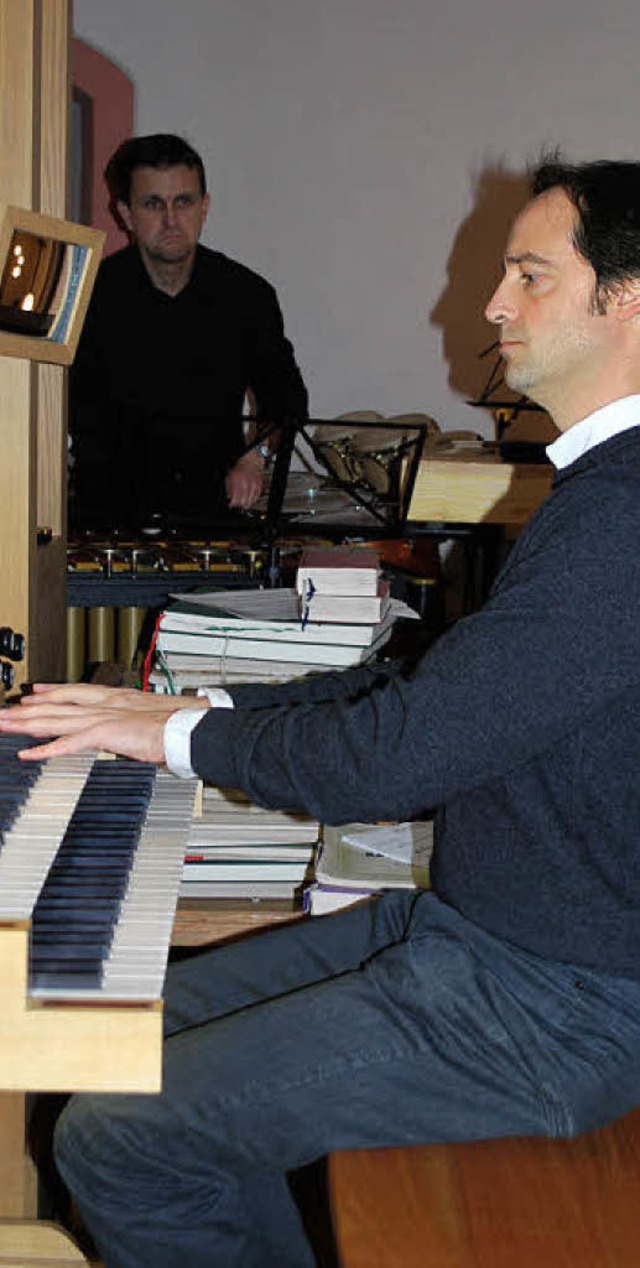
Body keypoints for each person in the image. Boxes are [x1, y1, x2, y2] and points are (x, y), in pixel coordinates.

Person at [5, 154, 640, 1268]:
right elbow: (428, 679)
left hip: (556, 1001)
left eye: (529, 275)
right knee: (117, 1041)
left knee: (118, 1142)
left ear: (626, 298)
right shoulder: (601, 492)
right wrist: (183, 703)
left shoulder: (621, 519)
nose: (492, 303)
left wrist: (174, 736)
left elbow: (396, 756)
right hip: (477, 931)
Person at [70, 133, 308, 531]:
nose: (171, 220)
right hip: (106, 516)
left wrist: (254, 459)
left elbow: (286, 398)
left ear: (205, 207)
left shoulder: (247, 295)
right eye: (153, 204)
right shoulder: (85, 296)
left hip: (214, 512)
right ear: (125, 214)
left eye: (184, 202)